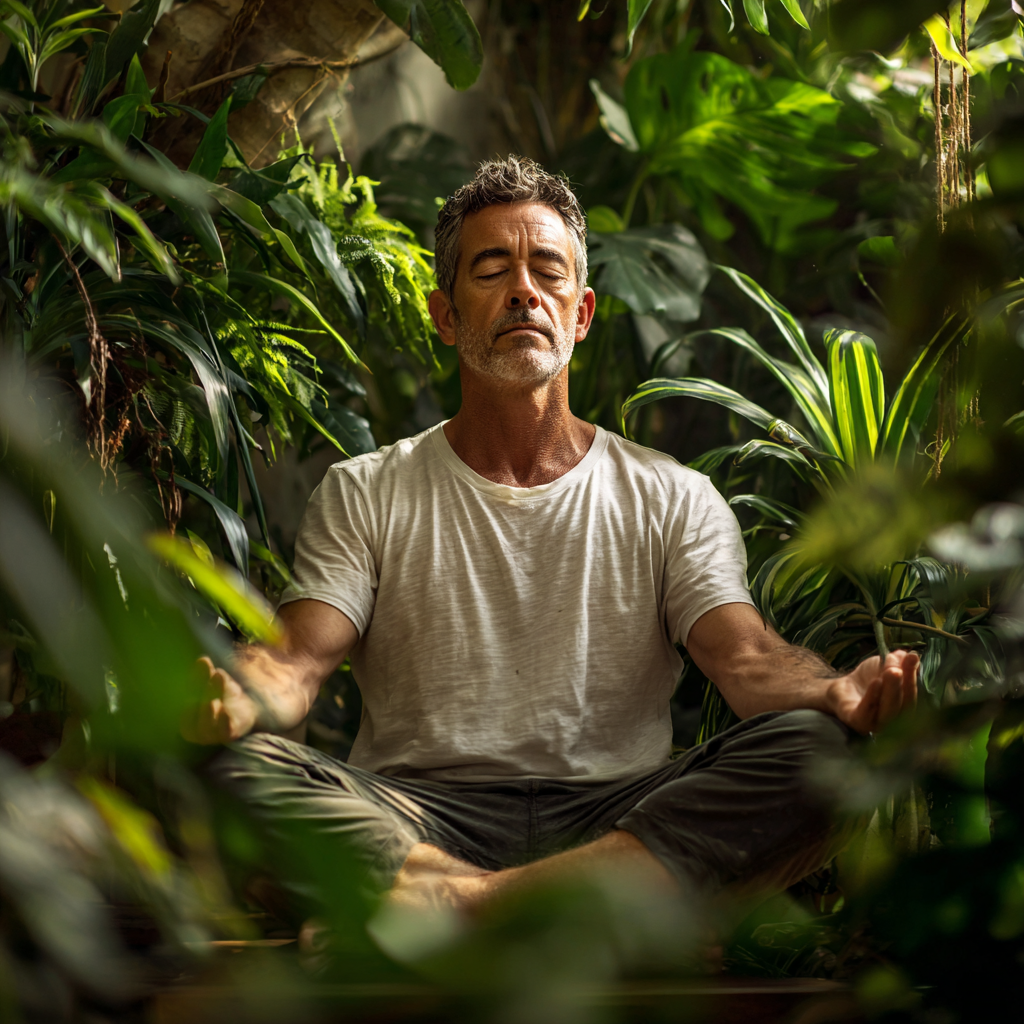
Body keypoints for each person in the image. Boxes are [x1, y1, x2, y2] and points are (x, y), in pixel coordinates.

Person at [193, 157, 918, 920]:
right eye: (491, 270)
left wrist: (831, 689)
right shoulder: (369, 490)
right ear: (445, 316)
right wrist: (236, 697)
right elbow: (296, 661)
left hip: (617, 818)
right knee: (212, 761)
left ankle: (460, 911)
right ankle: (579, 912)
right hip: (413, 817)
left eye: (547, 270)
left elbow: (745, 661)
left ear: (581, 314)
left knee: (820, 751)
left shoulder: (669, 494)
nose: (523, 291)